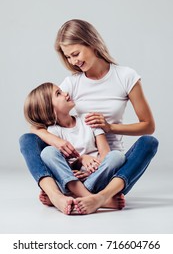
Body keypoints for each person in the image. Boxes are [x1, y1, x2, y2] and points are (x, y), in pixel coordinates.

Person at [19, 19, 159, 215]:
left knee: (149, 142)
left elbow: (148, 126)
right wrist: (59, 144)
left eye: (75, 54)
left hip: (111, 169)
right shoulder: (72, 83)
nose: (73, 62)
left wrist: (110, 127)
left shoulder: (126, 77)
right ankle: (58, 195)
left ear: (92, 44)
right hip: (74, 168)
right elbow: (39, 121)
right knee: (27, 140)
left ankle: (98, 196)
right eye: (68, 57)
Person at [24, 82, 126, 214]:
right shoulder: (53, 132)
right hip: (72, 180)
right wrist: (80, 161)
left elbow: (105, 152)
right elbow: (62, 168)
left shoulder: (88, 119)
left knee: (117, 156)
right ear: (49, 109)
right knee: (48, 152)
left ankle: (75, 195)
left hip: (96, 176)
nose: (66, 94)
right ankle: (94, 198)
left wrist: (91, 172)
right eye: (58, 94)